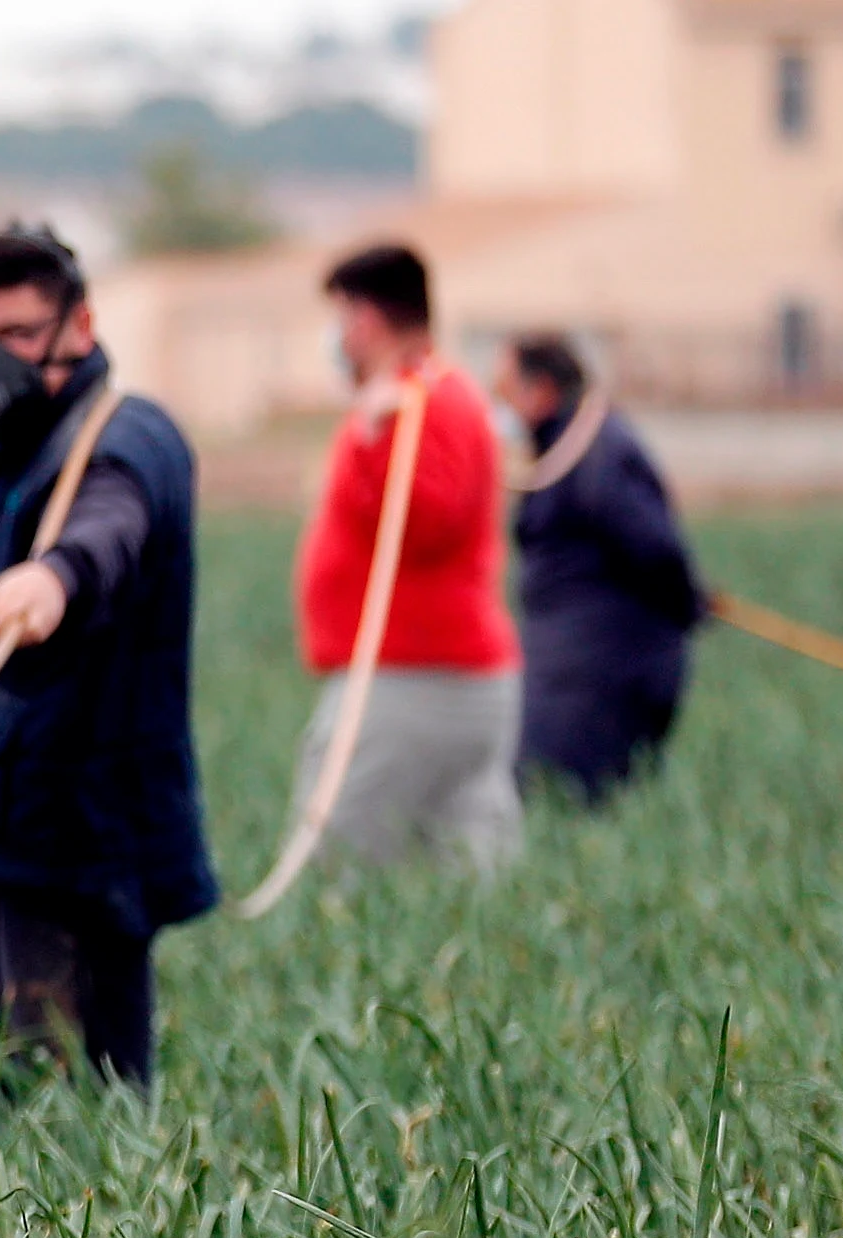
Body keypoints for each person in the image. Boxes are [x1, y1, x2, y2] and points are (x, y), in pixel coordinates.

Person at [0, 224, 214, 1088]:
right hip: (1, 825)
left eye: (13, 335)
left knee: (68, 1114)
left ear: (78, 326)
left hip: (83, 841)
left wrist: (53, 580)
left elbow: (109, 526)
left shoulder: (127, 436)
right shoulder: (17, 445)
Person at [293, 243, 522, 871]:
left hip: (409, 677)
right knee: (468, 877)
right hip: (452, 674)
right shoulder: (445, 394)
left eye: (342, 320)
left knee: (334, 869)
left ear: (364, 321)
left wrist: (371, 440)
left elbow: (426, 522)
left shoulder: (418, 403)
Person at [499, 331, 709, 800]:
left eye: (506, 389)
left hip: (601, 677)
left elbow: (654, 546)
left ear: (543, 391)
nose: (501, 404)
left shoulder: (597, 450)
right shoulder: (565, 445)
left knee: (569, 802)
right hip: (570, 671)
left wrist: (687, 601)